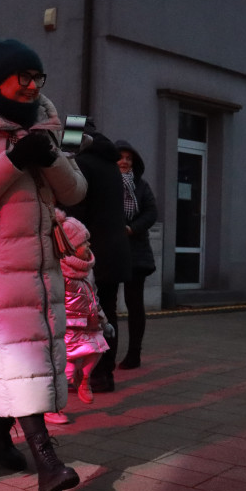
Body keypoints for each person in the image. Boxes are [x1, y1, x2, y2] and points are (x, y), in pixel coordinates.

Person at [0, 38, 86, 491]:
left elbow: (76, 192)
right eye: (22, 77)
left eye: (37, 78)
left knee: (24, 357)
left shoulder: (50, 126)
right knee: (22, 357)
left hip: (41, 266)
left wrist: (49, 158)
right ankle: (48, 463)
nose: (31, 86)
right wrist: (12, 160)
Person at [64, 129, 131, 392]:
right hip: (114, 251)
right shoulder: (109, 163)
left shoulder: (82, 164)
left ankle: (86, 375)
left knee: (83, 317)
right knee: (107, 313)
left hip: (91, 253)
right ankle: (104, 375)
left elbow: (76, 209)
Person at [46, 210, 111, 425]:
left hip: (89, 322)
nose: (90, 247)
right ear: (70, 248)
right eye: (85, 243)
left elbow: (94, 295)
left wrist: (103, 319)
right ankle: (54, 407)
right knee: (66, 368)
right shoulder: (59, 272)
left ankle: (84, 380)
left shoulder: (87, 270)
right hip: (67, 328)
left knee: (98, 349)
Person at [114, 140, 157, 370]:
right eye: (120, 157)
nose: (124, 161)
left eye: (129, 158)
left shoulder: (142, 186)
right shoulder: (107, 182)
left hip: (136, 252)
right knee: (106, 305)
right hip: (111, 249)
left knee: (134, 304)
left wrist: (132, 228)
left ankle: (134, 353)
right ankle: (106, 355)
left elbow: (151, 212)